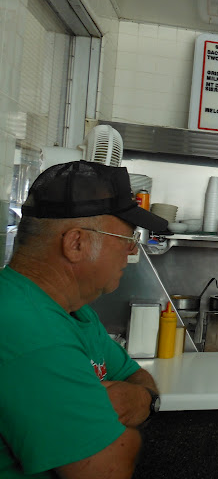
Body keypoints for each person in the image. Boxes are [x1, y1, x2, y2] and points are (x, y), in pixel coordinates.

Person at [0, 161, 169, 479]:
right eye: (125, 239)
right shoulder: (32, 332)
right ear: (76, 243)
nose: (131, 253)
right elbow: (110, 469)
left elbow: (135, 377)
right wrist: (128, 436)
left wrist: (142, 398)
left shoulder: (72, 310)